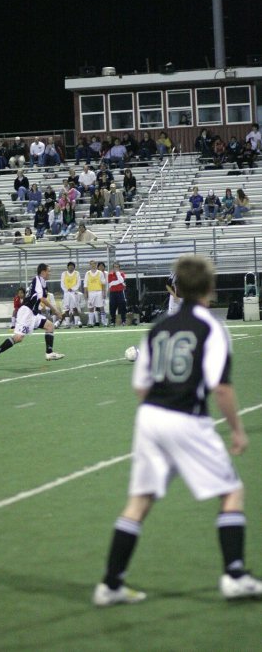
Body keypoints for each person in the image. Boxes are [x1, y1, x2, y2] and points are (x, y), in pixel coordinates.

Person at [93, 255, 262, 607]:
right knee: (231, 491)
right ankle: (234, 576)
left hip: (151, 419)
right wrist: (238, 431)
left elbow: (141, 386)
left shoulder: (158, 328)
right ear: (210, 289)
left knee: (139, 502)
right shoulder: (211, 328)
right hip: (188, 418)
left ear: (177, 288)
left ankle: (110, 583)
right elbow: (222, 388)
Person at [0, 263, 64, 366]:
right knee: (18, 338)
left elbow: (38, 300)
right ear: (43, 272)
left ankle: (49, 353)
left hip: (33, 313)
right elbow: (42, 299)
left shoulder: (43, 284)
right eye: (48, 271)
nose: (49, 273)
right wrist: (56, 311)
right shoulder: (37, 280)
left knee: (50, 326)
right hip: (26, 312)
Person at [84, 259, 106, 327]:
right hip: (91, 292)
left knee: (101, 307)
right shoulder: (87, 273)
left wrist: (104, 292)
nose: (93, 265)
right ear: (90, 265)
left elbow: (103, 284)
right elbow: (85, 284)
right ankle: (91, 322)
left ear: (96, 265)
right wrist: (85, 293)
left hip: (99, 292)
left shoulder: (100, 273)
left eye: (94, 264)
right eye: (91, 264)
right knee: (91, 308)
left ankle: (103, 322)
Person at [60, 261, 82, 328]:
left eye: (72, 267)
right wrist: (67, 289)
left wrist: (72, 289)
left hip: (74, 293)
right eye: (70, 267)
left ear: (74, 267)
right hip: (66, 293)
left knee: (75, 308)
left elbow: (78, 283)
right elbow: (62, 284)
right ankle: (67, 324)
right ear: (67, 267)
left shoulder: (77, 273)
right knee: (66, 309)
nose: (71, 268)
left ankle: (76, 323)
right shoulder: (64, 274)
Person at [108, 261, 127, 326]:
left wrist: (118, 274)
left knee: (122, 307)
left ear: (119, 268)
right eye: (115, 267)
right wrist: (119, 281)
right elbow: (111, 283)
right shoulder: (110, 274)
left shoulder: (122, 273)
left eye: (117, 267)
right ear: (113, 267)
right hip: (112, 293)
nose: (116, 268)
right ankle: (113, 321)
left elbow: (122, 280)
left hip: (120, 292)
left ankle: (123, 321)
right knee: (112, 307)